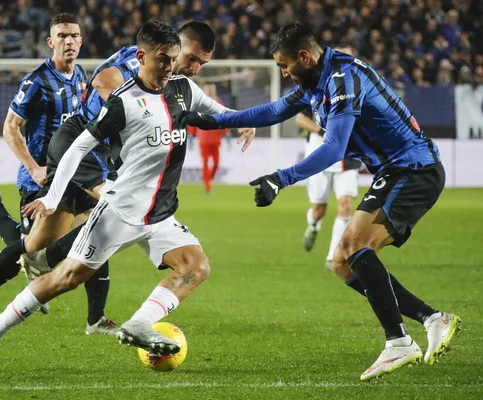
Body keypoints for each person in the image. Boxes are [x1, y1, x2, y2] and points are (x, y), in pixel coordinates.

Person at [0, 20, 254, 373]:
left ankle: (139, 323)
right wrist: (52, 197)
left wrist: (242, 118)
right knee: (66, 278)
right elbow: (76, 146)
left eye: (185, 62)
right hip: (119, 207)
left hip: (159, 213)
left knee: (196, 266)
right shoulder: (124, 98)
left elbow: (216, 110)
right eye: (177, 59)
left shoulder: (182, 89)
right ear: (146, 56)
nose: (185, 68)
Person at [177, 22, 460, 381]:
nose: (284, 74)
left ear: (304, 57)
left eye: (285, 66)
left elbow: (334, 149)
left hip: (413, 168)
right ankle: (433, 318)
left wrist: (280, 180)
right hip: (394, 170)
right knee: (343, 260)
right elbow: (272, 111)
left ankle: (399, 341)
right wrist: (213, 121)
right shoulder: (316, 80)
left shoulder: (342, 80)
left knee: (355, 244)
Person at [0, 13, 118, 352]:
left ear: (81, 41)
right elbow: (11, 126)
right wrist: (35, 167)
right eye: (62, 35)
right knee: (32, 249)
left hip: (74, 174)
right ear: (50, 42)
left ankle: (96, 318)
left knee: (98, 230)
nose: (69, 41)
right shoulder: (37, 81)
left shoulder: (81, 74)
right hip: (42, 178)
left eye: (75, 35)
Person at [297, 44, 360, 270]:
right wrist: (322, 130)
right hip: (320, 156)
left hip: (348, 157)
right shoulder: (318, 86)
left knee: (345, 205)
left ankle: (333, 255)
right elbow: (300, 119)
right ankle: (313, 225)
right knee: (319, 210)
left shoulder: (360, 88)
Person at [188, 83, 230, 194]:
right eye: (208, 89)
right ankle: (207, 186)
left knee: (216, 164)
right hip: (203, 140)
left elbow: (224, 119)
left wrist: (226, 134)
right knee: (205, 163)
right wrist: (191, 136)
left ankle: (207, 179)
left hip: (216, 140)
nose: (210, 91)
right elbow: (194, 120)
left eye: (212, 89)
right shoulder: (199, 104)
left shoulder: (219, 103)